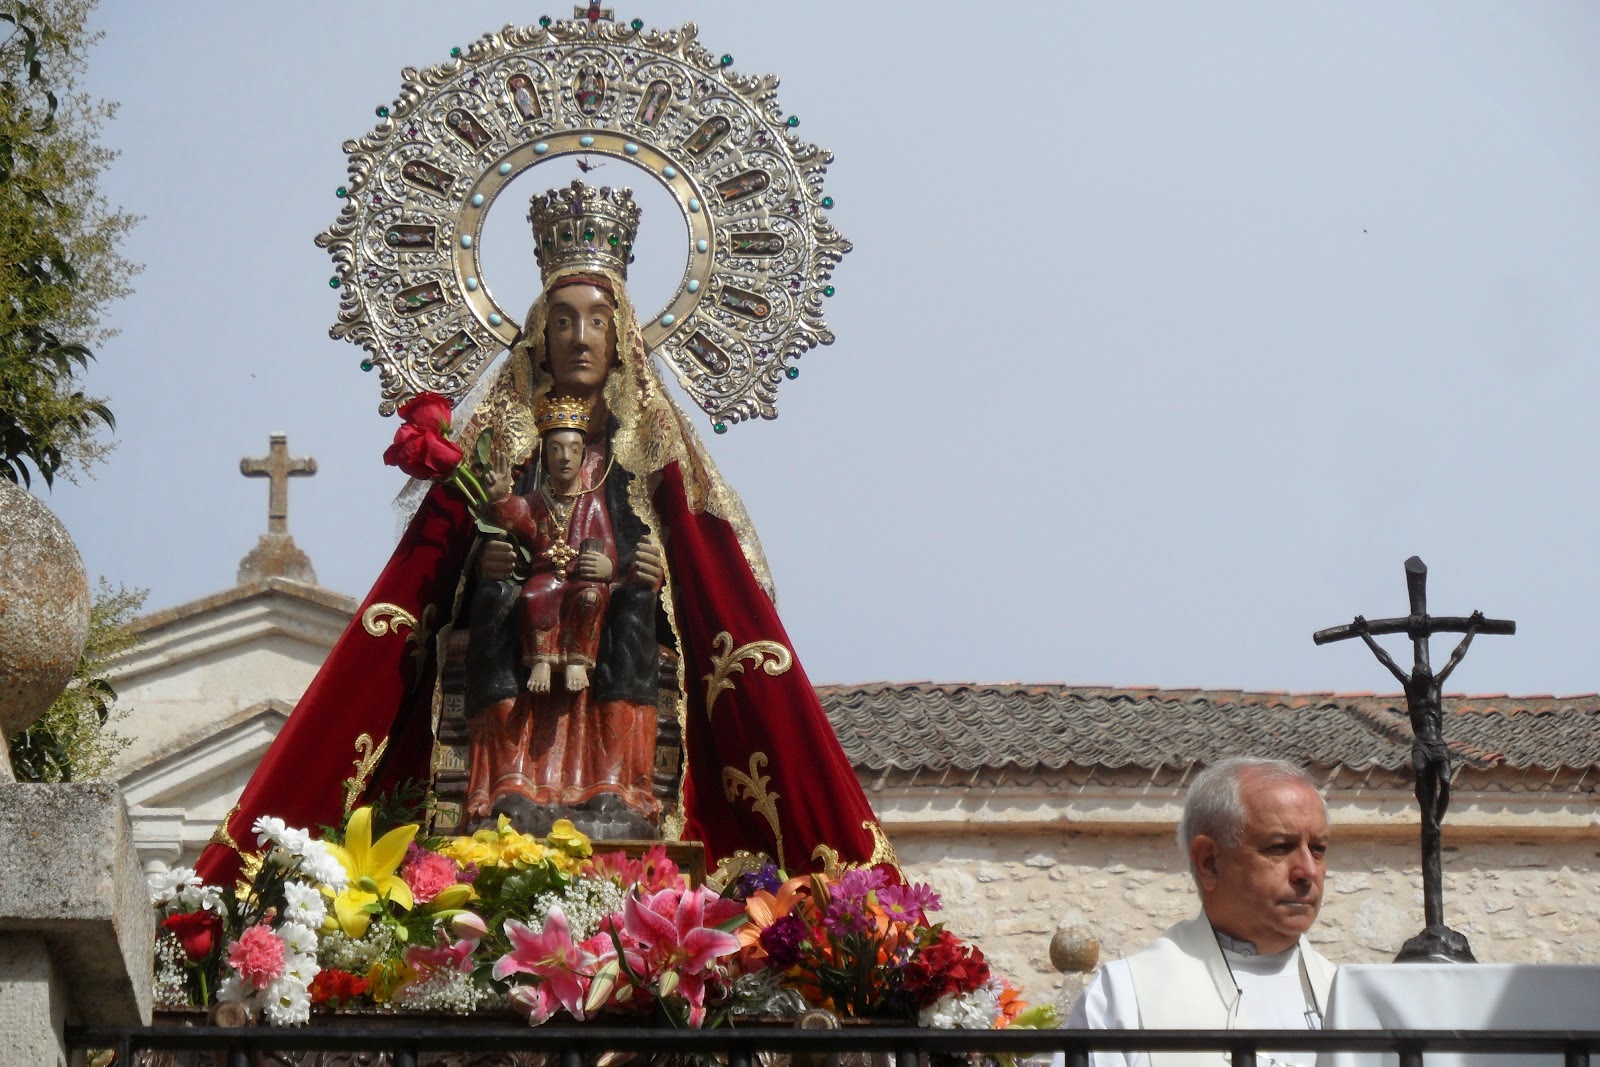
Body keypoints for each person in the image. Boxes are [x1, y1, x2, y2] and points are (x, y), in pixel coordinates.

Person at [195, 180, 892, 885]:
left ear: (621, 335)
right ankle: (503, 782)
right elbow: (434, 576)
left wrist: (653, 568)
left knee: (626, 609)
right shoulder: (502, 440)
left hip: (610, 616)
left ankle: (621, 785)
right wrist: (487, 562)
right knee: (500, 597)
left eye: (596, 320)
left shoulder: (649, 443)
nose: (579, 337)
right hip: (522, 623)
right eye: (562, 320)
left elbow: (704, 573)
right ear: (537, 333)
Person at [1066, 757, 1336, 1067]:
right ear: (1209, 861)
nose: (1308, 871)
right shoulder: (1124, 998)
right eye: (1279, 847)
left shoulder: (1347, 995)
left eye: (1318, 849)